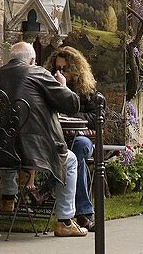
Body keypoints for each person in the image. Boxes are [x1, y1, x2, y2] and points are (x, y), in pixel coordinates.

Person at [0, 41, 88, 238]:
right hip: (29, 152)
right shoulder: (38, 73)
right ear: (32, 60)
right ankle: (65, 221)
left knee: (9, 139)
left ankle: (8, 200)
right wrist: (63, 86)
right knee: (71, 160)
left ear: (11, 59)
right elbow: (72, 104)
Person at [45, 47, 97, 232]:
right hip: (57, 140)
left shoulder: (87, 90)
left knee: (80, 148)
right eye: (56, 69)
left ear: (75, 70)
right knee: (75, 156)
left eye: (64, 69)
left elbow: (95, 119)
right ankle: (84, 214)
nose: (59, 73)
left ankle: (46, 188)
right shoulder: (50, 87)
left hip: (81, 138)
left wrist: (65, 91)